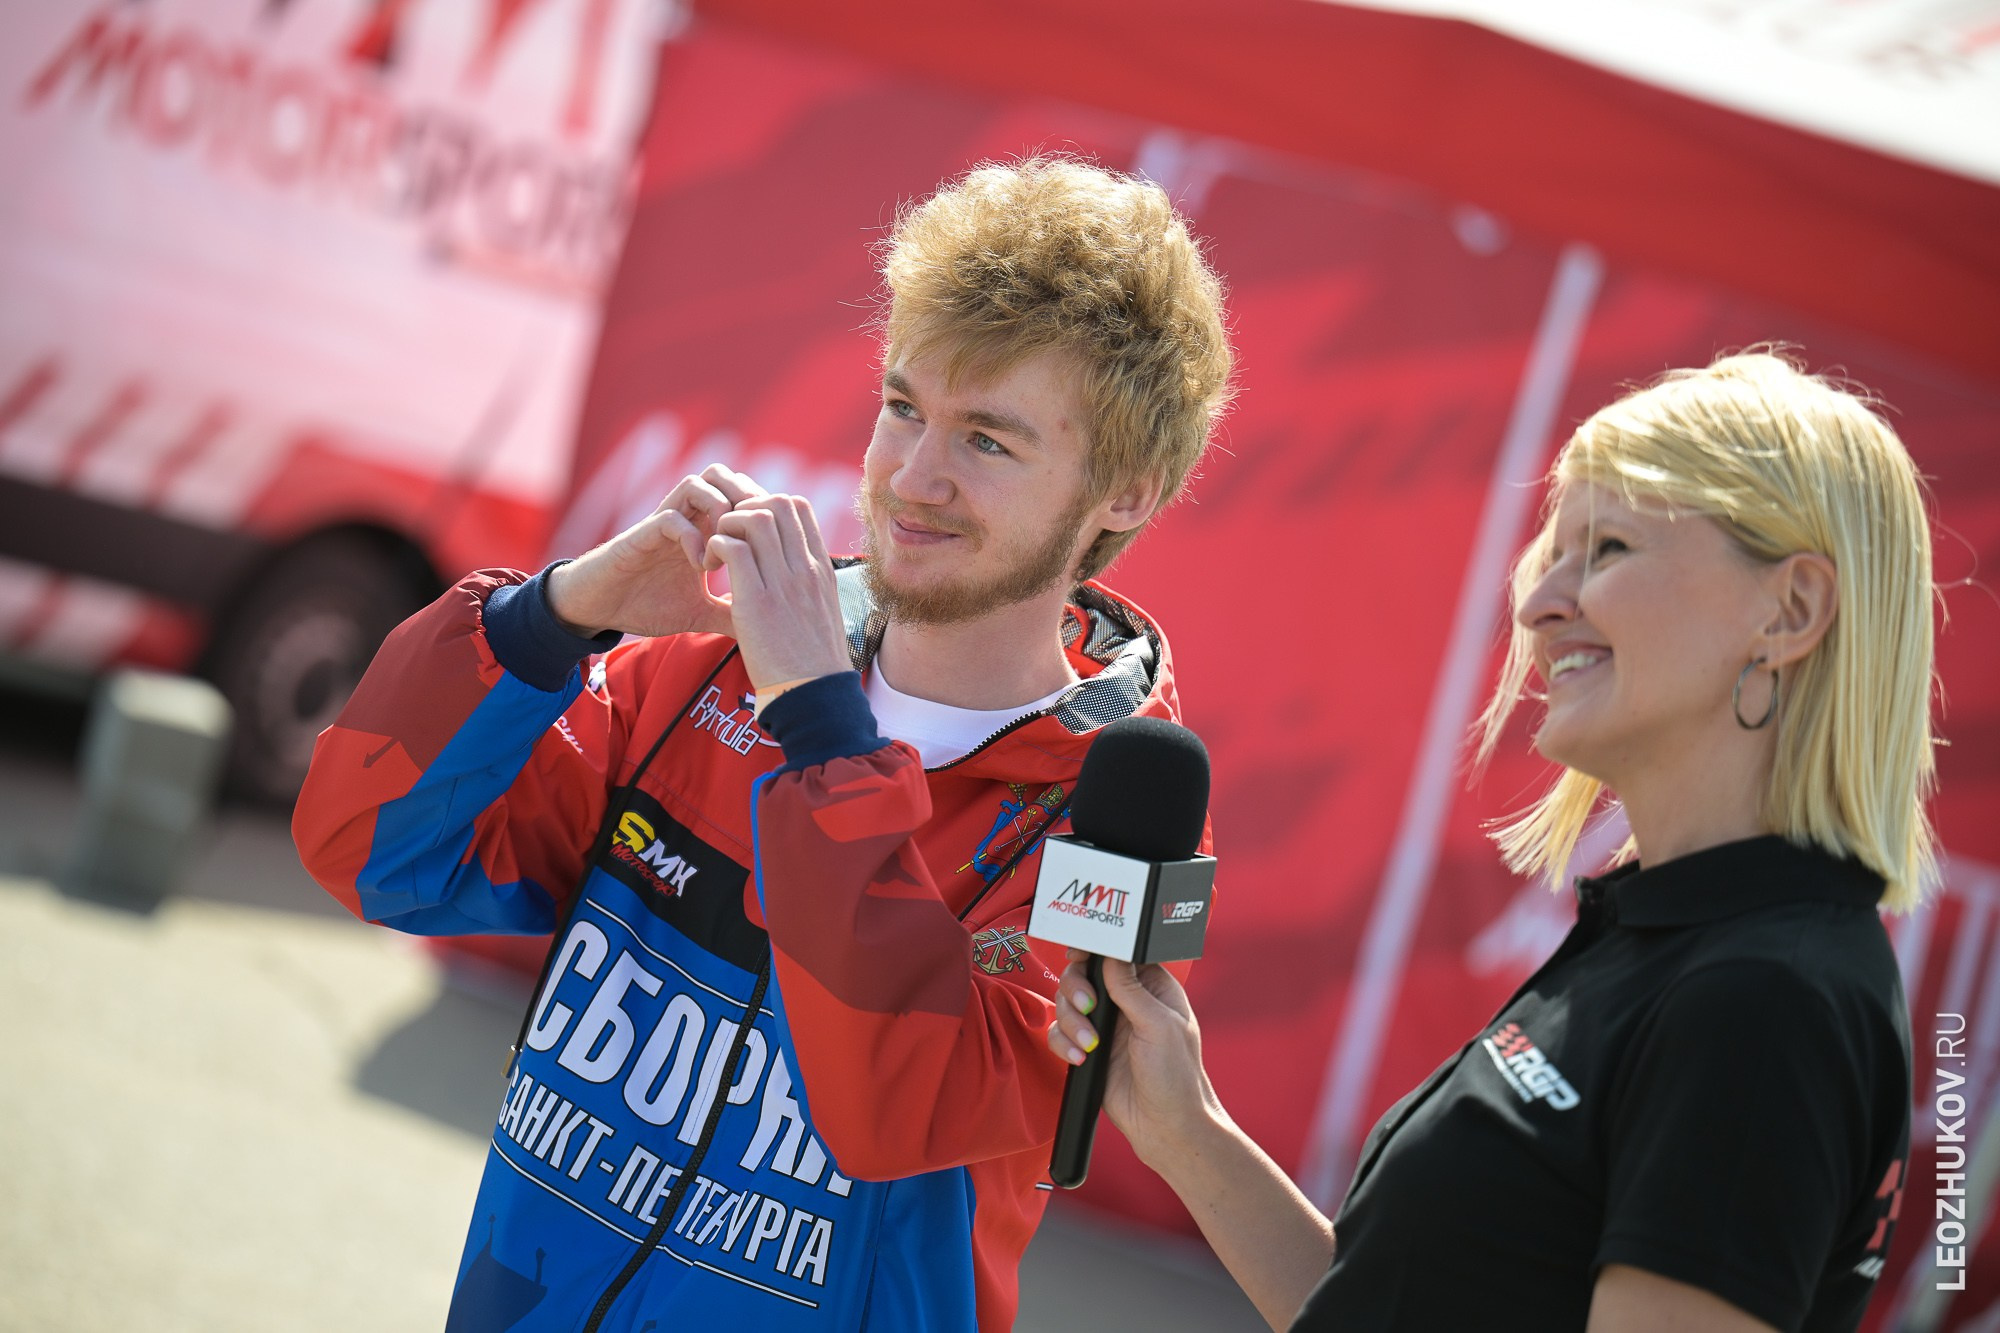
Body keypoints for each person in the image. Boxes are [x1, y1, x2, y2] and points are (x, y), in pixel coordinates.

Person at [292, 155, 1233, 1330]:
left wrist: (819, 731)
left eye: (987, 440)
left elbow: (909, 1105)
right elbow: (372, 850)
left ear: (1126, 493)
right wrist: (552, 615)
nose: (913, 477)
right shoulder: (707, 664)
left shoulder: (1123, 810)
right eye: (902, 406)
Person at [1049, 351, 1929, 1332]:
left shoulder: (1764, 999)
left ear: (1790, 610)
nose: (1536, 603)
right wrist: (1184, 1131)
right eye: (1552, 551)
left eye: (1606, 550)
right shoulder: (1676, 934)